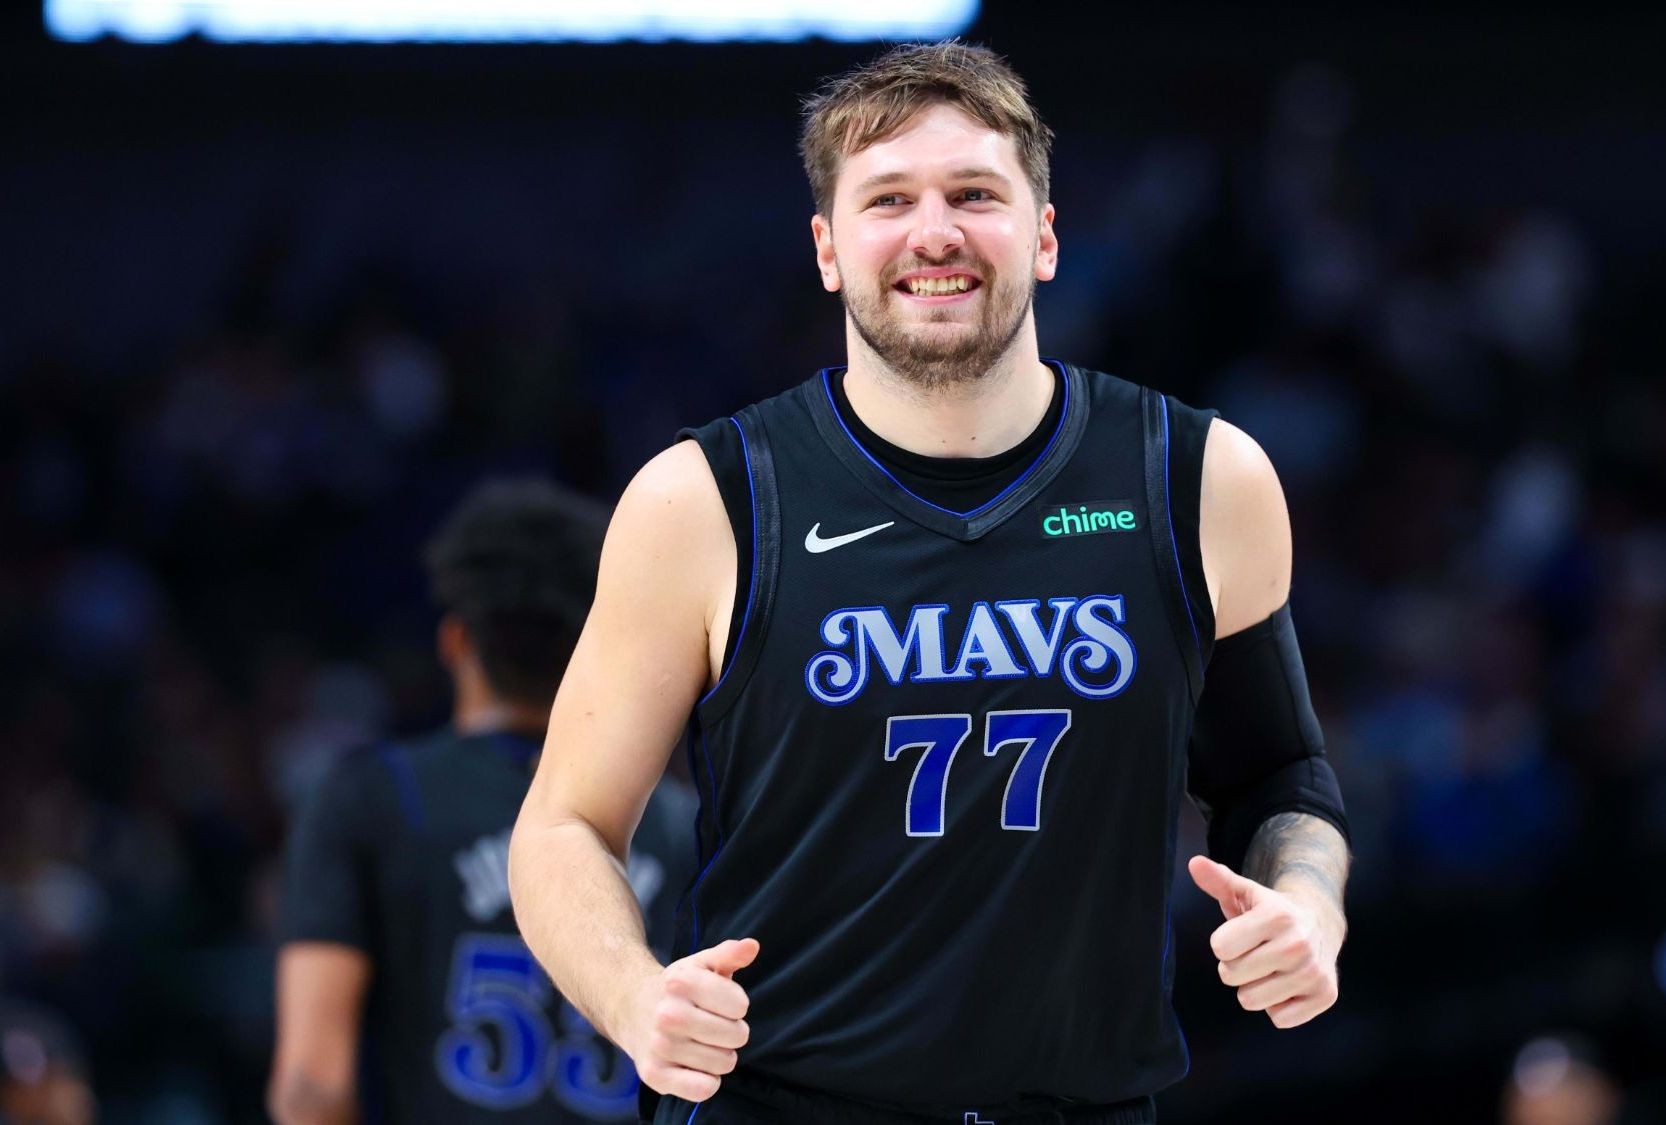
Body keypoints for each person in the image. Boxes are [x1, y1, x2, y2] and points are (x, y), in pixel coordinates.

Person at [509, 40, 1352, 1125]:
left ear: (1045, 235)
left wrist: (1308, 904)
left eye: (975, 194)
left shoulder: (1198, 478)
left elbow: (1280, 778)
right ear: (828, 248)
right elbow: (564, 825)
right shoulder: (704, 501)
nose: (935, 232)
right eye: (888, 199)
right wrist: (633, 999)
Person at [269, 480, 697, 1124]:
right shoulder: (680, 821)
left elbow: (313, 1086)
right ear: (593, 644)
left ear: (455, 640)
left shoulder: (374, 797)